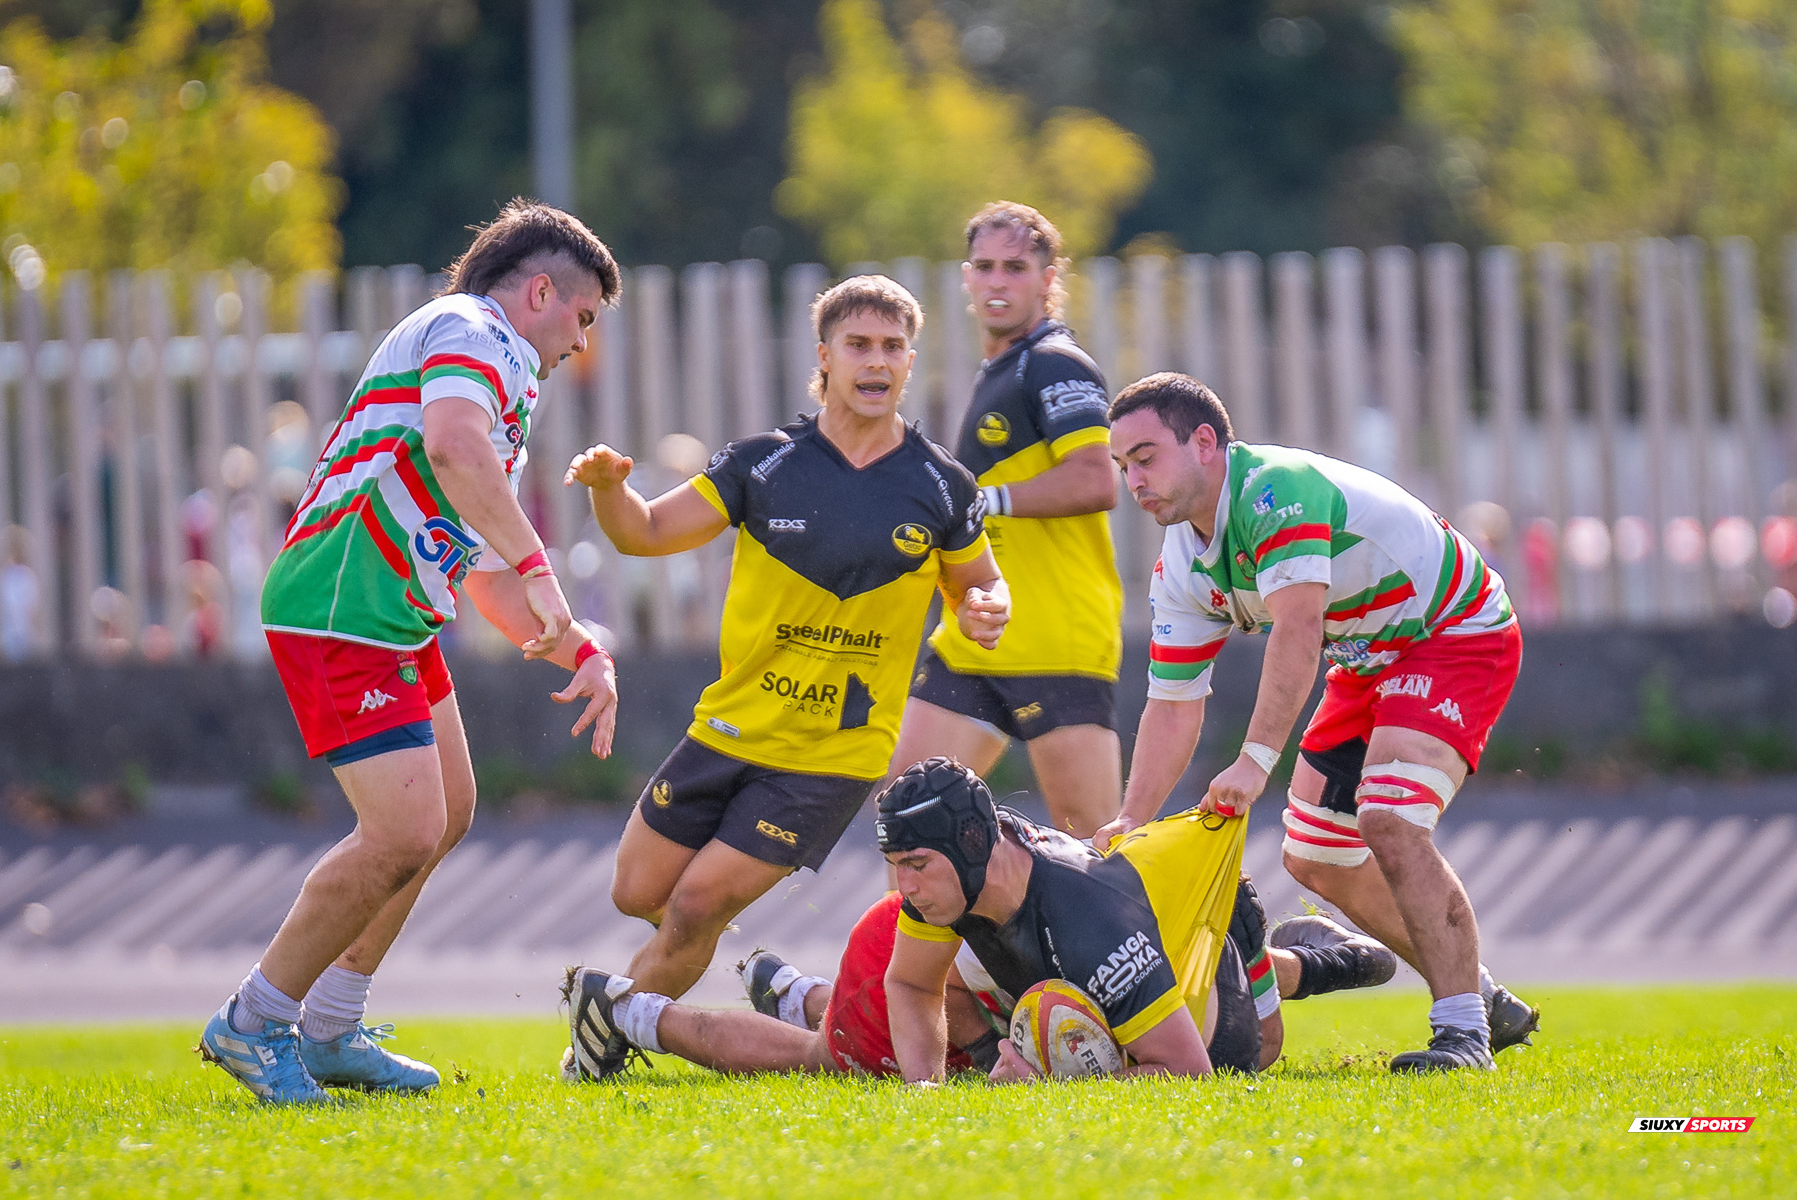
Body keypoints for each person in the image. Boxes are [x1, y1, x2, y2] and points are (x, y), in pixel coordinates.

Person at [199, 201, 624, 1104]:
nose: (581, 342)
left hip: (391, 616)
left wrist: (578, 644)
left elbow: (476, 569)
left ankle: (331, 1025)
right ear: (539, 290)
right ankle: (253, 1023)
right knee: (403, 830)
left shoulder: (504, 375)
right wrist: (544, 570)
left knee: (452, 809)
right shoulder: (473, 328)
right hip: (339, 603)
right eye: (582, 316)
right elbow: (454, 448)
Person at [562, 276, 1010, 1081]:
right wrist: (609, 490)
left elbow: (981, 580)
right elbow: (646, 532)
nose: (877, 363)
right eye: (859, 346)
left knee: (696, 905)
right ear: (825, 359)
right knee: (641, 891)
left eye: (893, 347)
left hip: (833, 750)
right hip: (728, 725)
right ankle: (767, 983)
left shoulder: (942, 485)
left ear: (910, 360)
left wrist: (985, 605)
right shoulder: (764, 463)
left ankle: (594, 1051)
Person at [1097, 371, 1541, 1072]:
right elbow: (1174, 702)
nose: (1134, 481)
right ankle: (1482, 996)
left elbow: (1299, 629)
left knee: (1389, 820)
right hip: (1370, 657)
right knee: (1316, 858)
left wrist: (1254, 760)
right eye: (1123, 466)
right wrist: (1132, 819)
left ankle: (1463, 1036)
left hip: (1454, 629)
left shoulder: (1275, 490)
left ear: (1205, 442)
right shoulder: (1181, 560)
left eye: (1146, 457)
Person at [558, 854, 1392, 1082]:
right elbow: (929, 987)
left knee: (1260, 1044)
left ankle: (794, 989)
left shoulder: (1135, 942)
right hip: (910, 959)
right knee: (834, 1066)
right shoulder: (1091, 934)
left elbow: (1222, 1024)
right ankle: (629, 1014)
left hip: (965, 971)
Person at [890, 202, 1123, 839]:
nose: (998, 281)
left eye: (1016, 268)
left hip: (1056, 636)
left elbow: (1096, 479)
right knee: (909, 817)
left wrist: (985, 502)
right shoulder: (1000, 369)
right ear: (966, 277)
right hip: (977, 635)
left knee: (1096, 851)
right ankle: (917, 943)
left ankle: (1200, 942)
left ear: (1049, 279)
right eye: (986, 267)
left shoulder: (1054, 362)